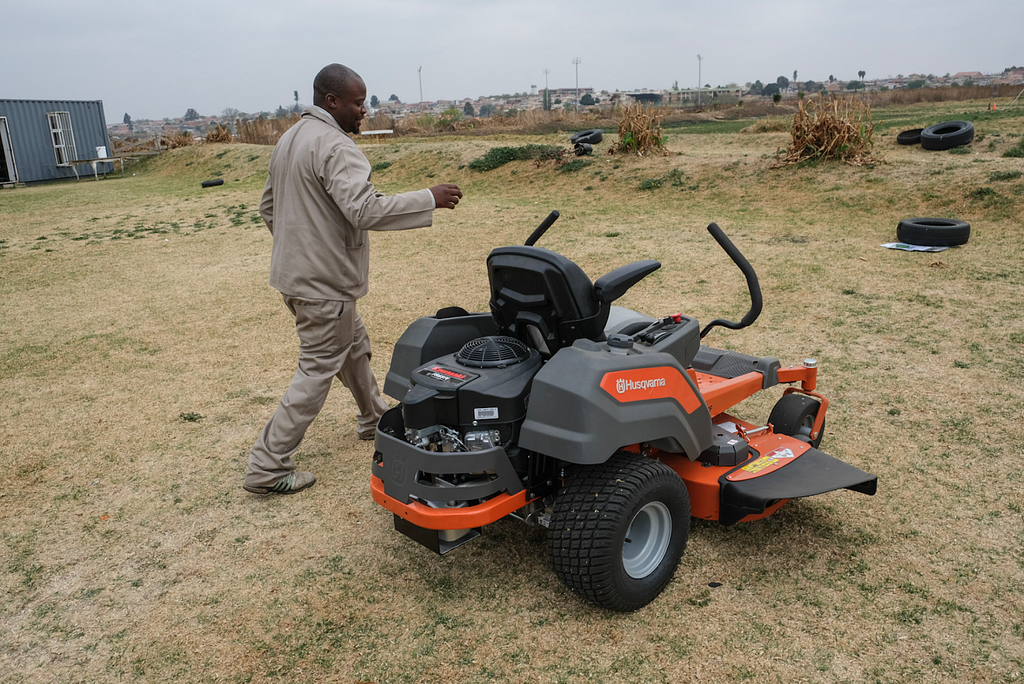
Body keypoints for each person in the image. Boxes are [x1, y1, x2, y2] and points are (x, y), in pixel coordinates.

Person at [243, 63, 462, 495]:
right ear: (332, 102)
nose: (364, 110)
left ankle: (373, 418)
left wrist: (300, 250)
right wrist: (429, 199)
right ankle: (266, 468)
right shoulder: (335, 146)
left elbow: (269, 207)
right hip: (326, 284)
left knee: (353, 345)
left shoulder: (290, 138)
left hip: (297, 278)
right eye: (358, 102)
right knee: (318, 367)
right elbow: (365, 210)